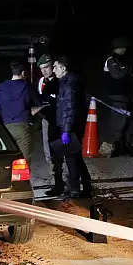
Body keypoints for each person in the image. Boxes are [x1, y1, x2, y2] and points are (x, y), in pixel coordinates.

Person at [50, 55, 92, 198]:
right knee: (76, 156)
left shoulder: (69, 85)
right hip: (71, 125)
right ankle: (86, 185)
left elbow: (70, 109)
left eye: (55, 67)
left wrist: (66, 130)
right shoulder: (68, 82)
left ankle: (74, 189)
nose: (53, 70)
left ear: (63, 68)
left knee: (71, 157)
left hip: (71, 127)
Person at [0, 61, 42, 163]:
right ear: (23, 73)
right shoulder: (27, 86)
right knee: (23, 163)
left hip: (5, 129)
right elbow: (39, 103)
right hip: (23, 128)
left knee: (6, 162)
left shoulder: (0, 87)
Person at [36, 54, 63, 194]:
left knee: (69, 153)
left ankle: (76, 183)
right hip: (48, 121)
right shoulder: (42, 82)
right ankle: (57, 182)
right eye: (41, 69)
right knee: (50, 154)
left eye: (46, 67)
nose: (44, 71)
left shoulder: (61, 80)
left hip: (62, 122)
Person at [103, 36, 133, 156]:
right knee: (119, 122)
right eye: (124, 48)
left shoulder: (120, 59)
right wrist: (127, 70)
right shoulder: (112, 60)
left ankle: (123, 145)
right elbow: (117, 75)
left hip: (123, 94)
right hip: (117, 95)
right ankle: (115, 147)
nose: (125, 50)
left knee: (125, 121)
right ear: (119, 48)